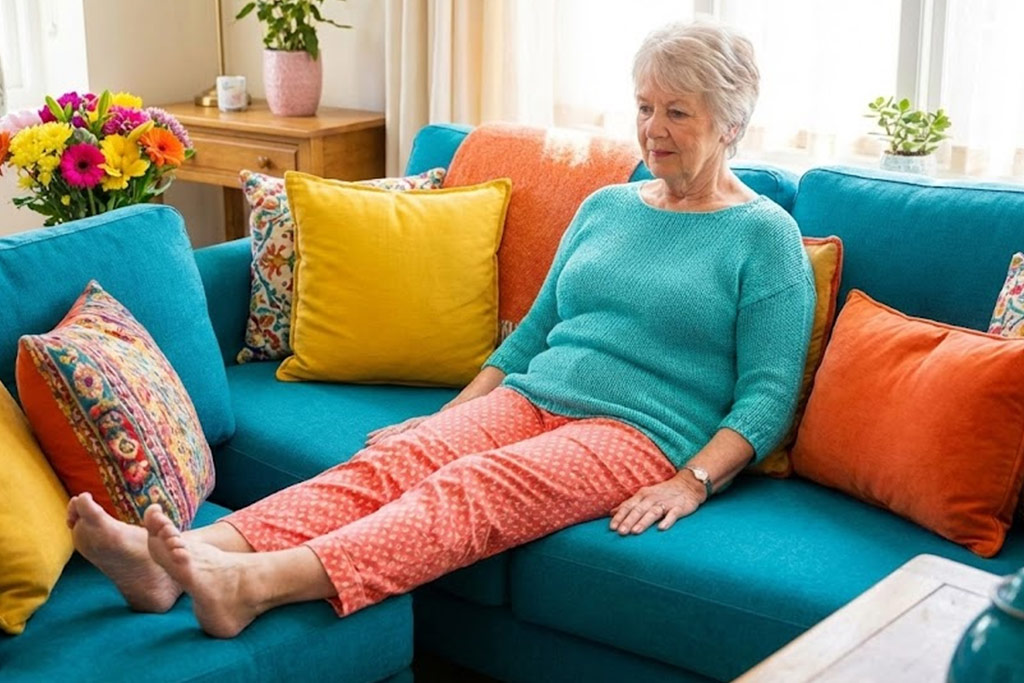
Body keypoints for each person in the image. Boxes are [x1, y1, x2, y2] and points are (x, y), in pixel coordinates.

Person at [67, 20, 815, 639]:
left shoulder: (763, 235)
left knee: (472, 486)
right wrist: (450, 416)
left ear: (732, 123)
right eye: (645, 107)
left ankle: (254, 584)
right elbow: (531, 335)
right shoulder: (608, 207)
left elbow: (767, 395)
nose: (653, 129)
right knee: (400, 458)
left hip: (639, 432)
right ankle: (178, 559)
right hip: (531, 393)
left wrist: (692, 480)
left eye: (677, 112)